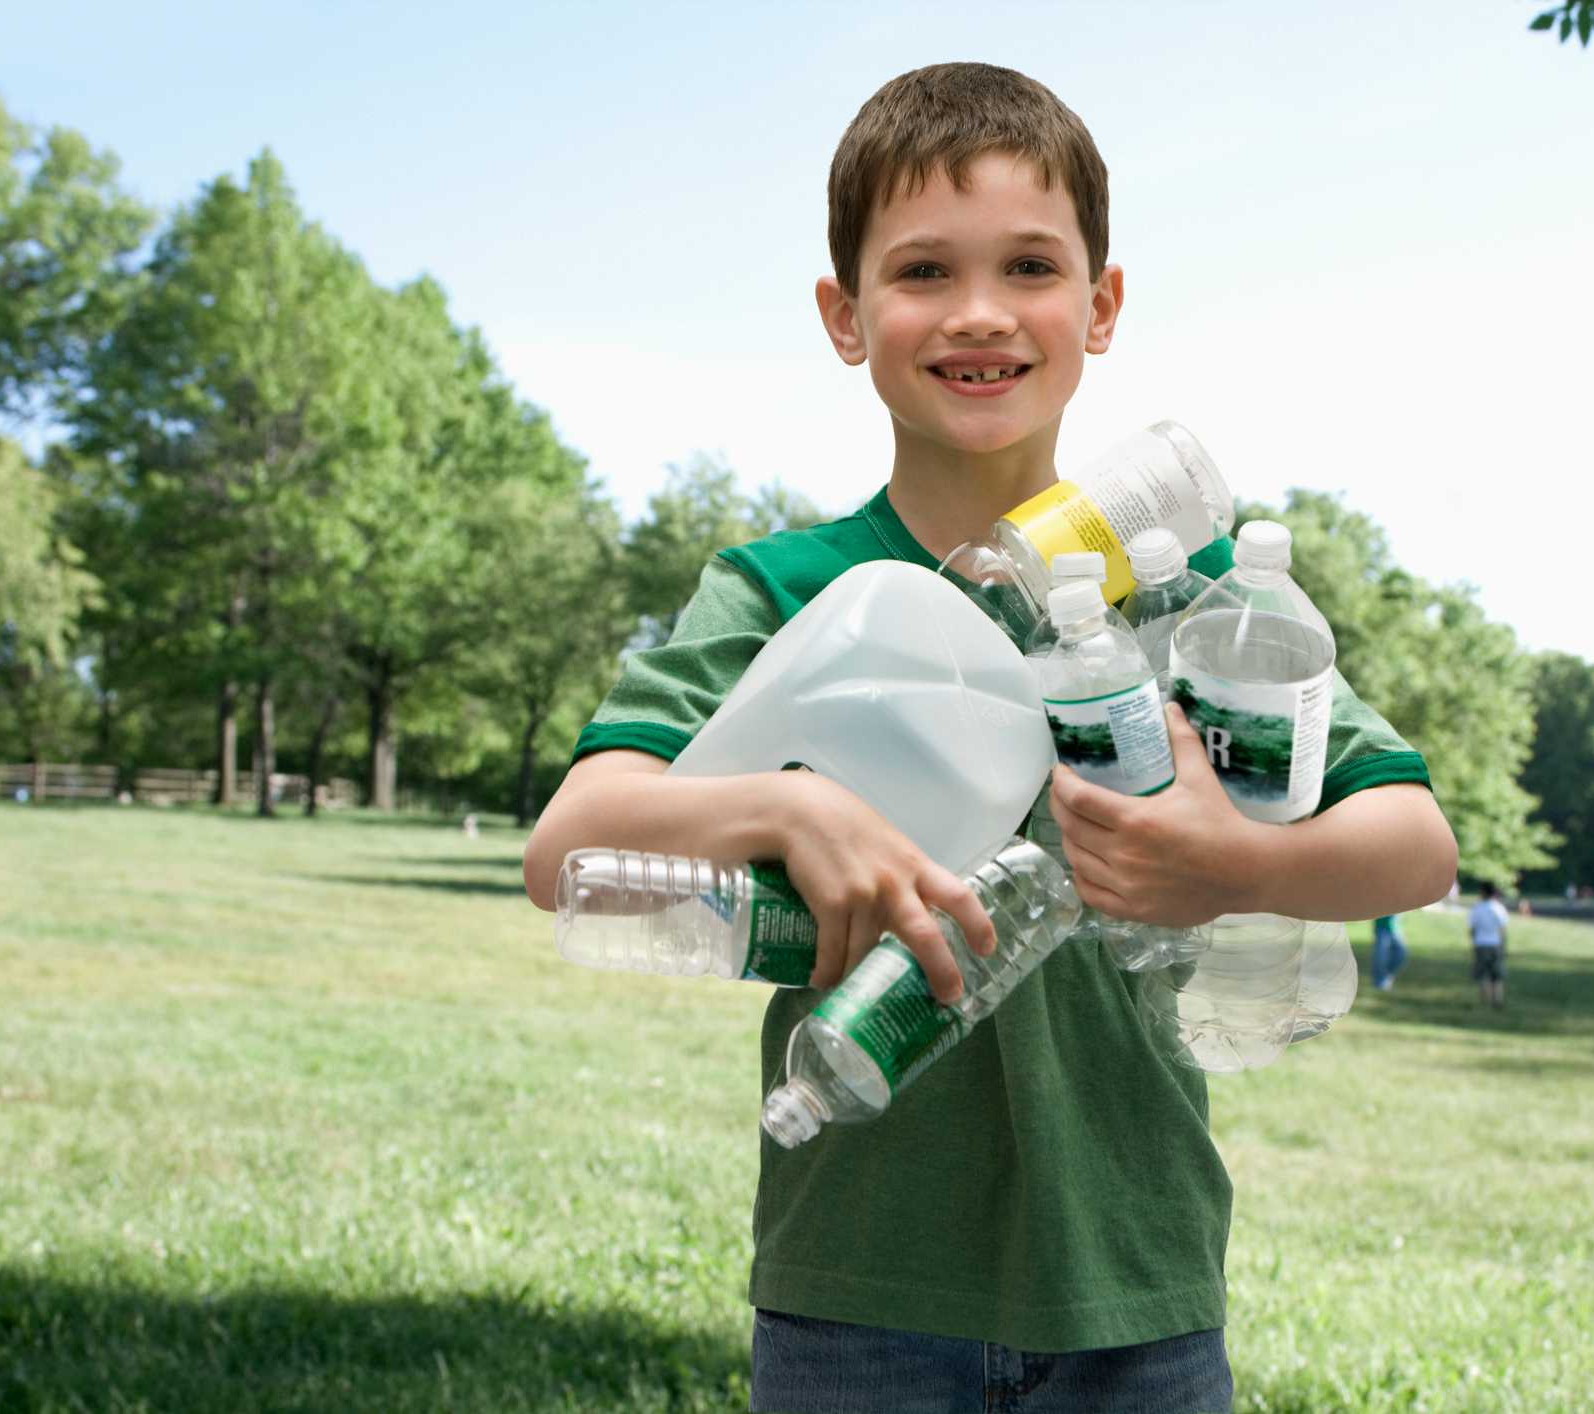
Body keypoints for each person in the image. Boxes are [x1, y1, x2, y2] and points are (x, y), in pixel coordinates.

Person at [523, 62, 1458, 1414]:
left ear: (1101, 304)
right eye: (920, 273)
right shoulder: (786, 586)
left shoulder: (1190, 592)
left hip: (1136, 1275)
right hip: (859, 1290)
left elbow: (1412, 842)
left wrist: (1230, 864)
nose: (977, 313)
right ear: (846, 316)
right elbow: (572, 844)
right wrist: (791, 810)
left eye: (1029, 265)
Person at [1469, 881, 1510, 1008]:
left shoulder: (1477, 908)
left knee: (1483, 975)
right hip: (1495, 944)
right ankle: (1497, 1000)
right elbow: (1502, 929)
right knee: (1496, 975)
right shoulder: (1498, 908)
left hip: (1481, 944)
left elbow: (1472, 928)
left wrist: (1474, 942)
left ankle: (1484, 1000)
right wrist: (1503, 945)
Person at [1371, 913, 1408, 990]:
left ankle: (1387, 976)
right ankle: (1379, 981)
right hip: (1381, 928)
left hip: (1395, 928)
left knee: (1401, 953)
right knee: (1381, 956)